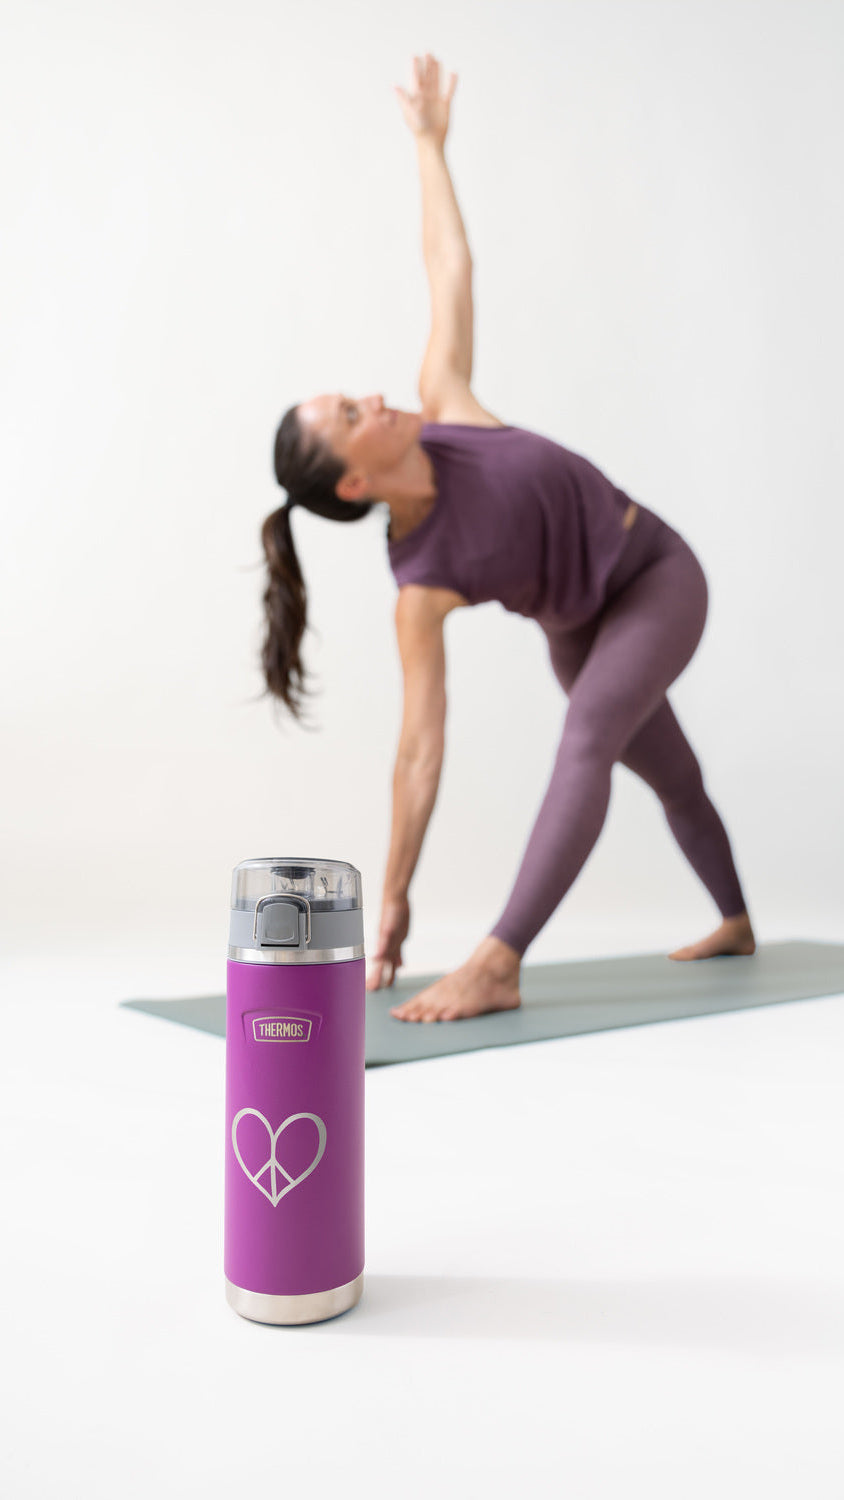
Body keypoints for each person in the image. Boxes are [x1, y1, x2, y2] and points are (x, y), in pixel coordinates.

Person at [261, 53, 756, 1024]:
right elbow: (419, 753)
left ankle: (499, 960)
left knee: (587, 737)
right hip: (580, 631)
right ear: (353, 482)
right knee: (673, 774)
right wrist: (394, 896)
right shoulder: (420, 585)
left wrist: (429, 145)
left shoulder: (447, 402)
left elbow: (448, 265)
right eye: (350, 413)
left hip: (656, 576)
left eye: (352, 393)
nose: (372, 396)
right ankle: (736, 922)